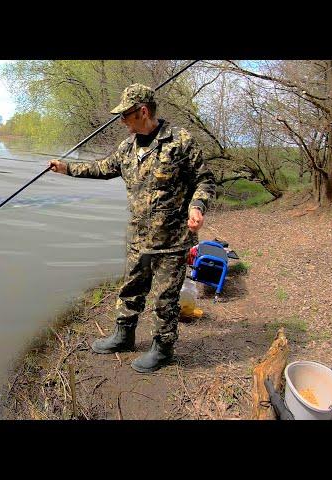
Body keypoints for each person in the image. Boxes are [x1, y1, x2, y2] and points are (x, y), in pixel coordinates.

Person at [49, 83, 215, 373]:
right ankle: (123, 336)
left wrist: (197, 207)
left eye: (125, 115)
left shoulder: (180, 141)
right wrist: (66, 168)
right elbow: (102, 168)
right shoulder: (127, 147)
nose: (121, 121)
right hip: (138, 238)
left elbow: (205, 180)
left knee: (166, 298)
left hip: (172, 240)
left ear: (143, 111)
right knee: (131, 289)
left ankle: (163, 349)